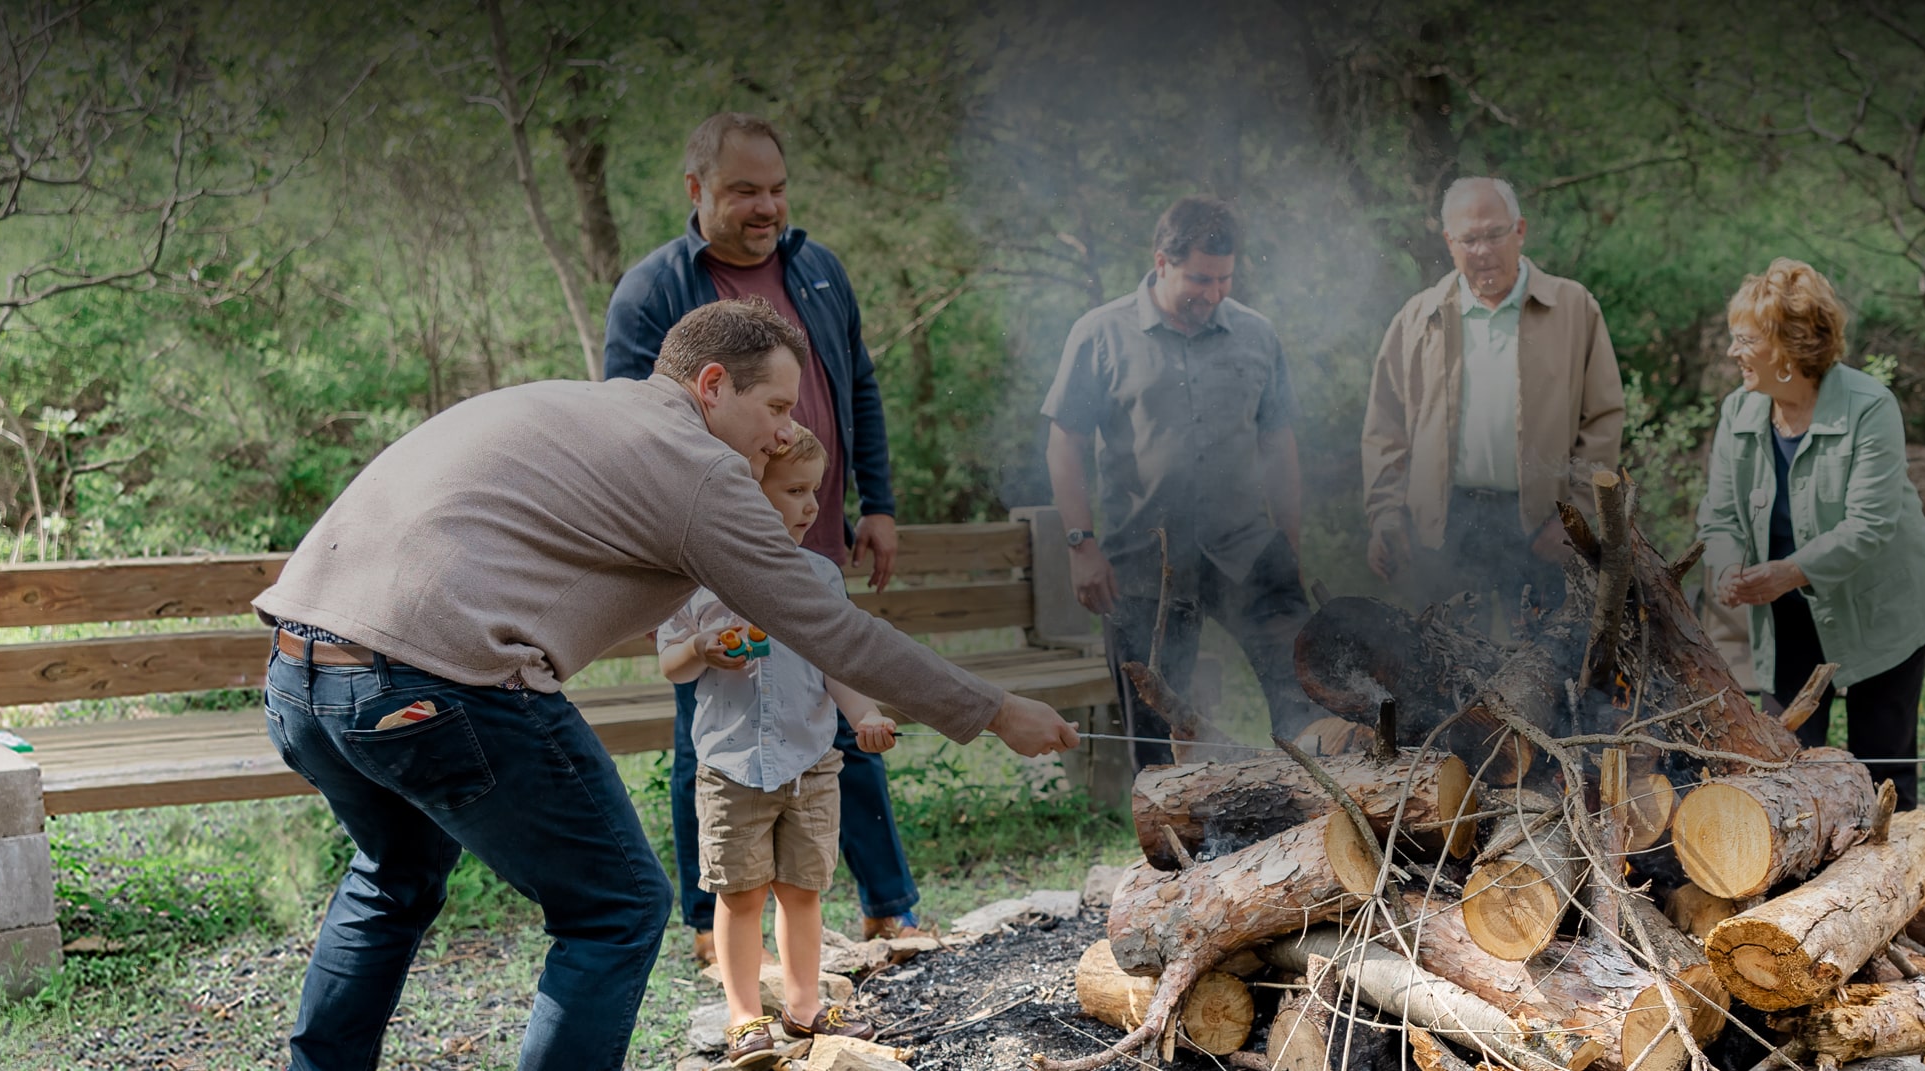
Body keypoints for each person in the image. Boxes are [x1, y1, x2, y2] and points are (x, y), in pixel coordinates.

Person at [255, 298, 1078, 1071]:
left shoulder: (592, 409)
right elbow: (828, 626)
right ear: (712, 385)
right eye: (778, 408)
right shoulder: (698, 465)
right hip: (440, 683)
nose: (788, 433)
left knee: (393, 876)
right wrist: (995, 710)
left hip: (300, 672)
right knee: (616, 908)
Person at [602, 112, 930, 956]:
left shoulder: (817, 271)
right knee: (706, 725)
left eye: (777, 188)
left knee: (833, 701)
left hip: (811, 532)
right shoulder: (657, 290)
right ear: (697, 190)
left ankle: (890, 901)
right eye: (745, 189)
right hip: (707, 546)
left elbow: (857, 384)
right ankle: (715, 915)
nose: (767, 206)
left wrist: (878, 503)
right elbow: (629, 424)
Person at [1043, 194, 1314, 763]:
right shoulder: (1099, 334)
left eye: (1225, 280)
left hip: (1246, 547)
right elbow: (1064, 443)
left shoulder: (1257, 335)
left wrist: (1289, 539)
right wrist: (1080, 545)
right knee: (1153, 722)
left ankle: (1318, 816)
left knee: (1306, 691)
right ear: (1161, 261)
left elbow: (1277, 440)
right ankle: (1171, 841)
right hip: (1141, 561)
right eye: (1199, 278)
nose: (1213, 294)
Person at [661, 426, 893, 1064]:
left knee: (803, 889)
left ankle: (802, 1007)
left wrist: (866, 711)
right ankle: (743, 1016)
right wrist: (700, 648)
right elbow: (671, 665)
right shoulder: (696, 583)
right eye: (794, 491)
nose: (812, 506)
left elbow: (836, 662)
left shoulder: (818, 576)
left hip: (811, 764)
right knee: (739, 894)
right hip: (733, 769)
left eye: (813, 490)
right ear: (744, 497)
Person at [1695, 259, 1925, 808]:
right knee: (1785, 768)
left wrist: (1787, 572)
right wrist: (1723, 566)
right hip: (1785, 608)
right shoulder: (1738, 411)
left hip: (1882, 608)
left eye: (1743, 341)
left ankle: (1895, 886)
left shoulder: (1869, 406)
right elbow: (1718, 516)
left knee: (1881, 774)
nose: (1731, 352)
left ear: (1785, 350)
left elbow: (1870, 524)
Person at [1361, 176, 1626, 610]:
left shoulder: (1574, 308)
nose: (1482, 250)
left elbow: (1603, 419)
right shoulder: (1417, 318)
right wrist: (1386, 517)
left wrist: (1575, 518)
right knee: (1447, 666)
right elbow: (1384, 430)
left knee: (1543, 667)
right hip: (1442, 530)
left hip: (1541, 527)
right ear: (1450, 242)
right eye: (1469, 239)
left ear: (1519, 231)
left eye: (1494, 234)